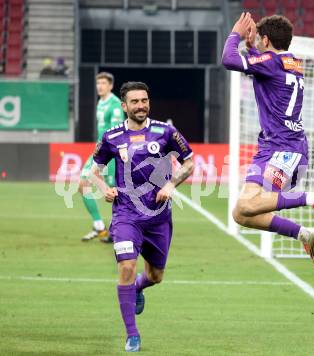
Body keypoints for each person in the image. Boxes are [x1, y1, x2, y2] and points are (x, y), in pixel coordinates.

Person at [222, 13, 314, 270]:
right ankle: (306, 235)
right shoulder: (291, 61)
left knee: (248, 204)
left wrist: (236, 35)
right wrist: (252, 47)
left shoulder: (272, 63)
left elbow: (228, 59)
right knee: (241, 214)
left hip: (285, 150)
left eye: (260, 41)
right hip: (270, 149)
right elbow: (262, 64)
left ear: (266, 38)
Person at [90, 81, 194, 352]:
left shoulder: (166, 131)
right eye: (135, 102)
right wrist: (105, 190)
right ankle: (132, 334)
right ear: (124, 106)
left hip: (158, 217)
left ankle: (139, 287)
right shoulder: (111, 137)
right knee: (126, 266)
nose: (141, 106)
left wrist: (171, 185)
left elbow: (190, 162)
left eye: (144, 100)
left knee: (156, 275)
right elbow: (95, 171)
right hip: (126, 214)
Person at [79, 72, 124, 242]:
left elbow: (114, 132)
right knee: (83, 184)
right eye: (98, 83)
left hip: (111, 153)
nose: (100, 86)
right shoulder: (101, 102)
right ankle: (99, 226)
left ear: (110, 86)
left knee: (115, 191)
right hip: (99, 152)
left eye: (103, 83)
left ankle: (120, 229)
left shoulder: (114, 105)